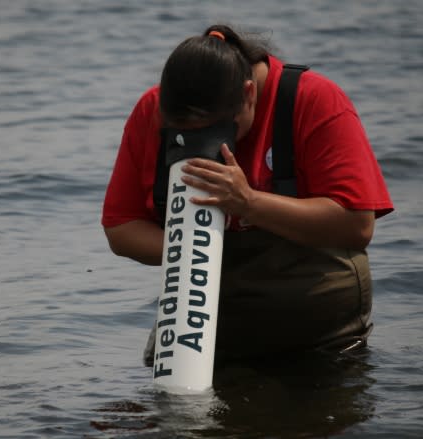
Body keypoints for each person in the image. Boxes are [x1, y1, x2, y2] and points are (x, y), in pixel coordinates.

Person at [101, 24, 393, 365]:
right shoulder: (153, 109)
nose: (206, 146)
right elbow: (121, 228)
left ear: (249, 94)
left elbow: (357, 225)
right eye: (183, 135)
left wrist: (249, 203)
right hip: (205, 323)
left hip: (318, 336)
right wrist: (196, 246)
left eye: (220, 131)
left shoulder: (316, 100)